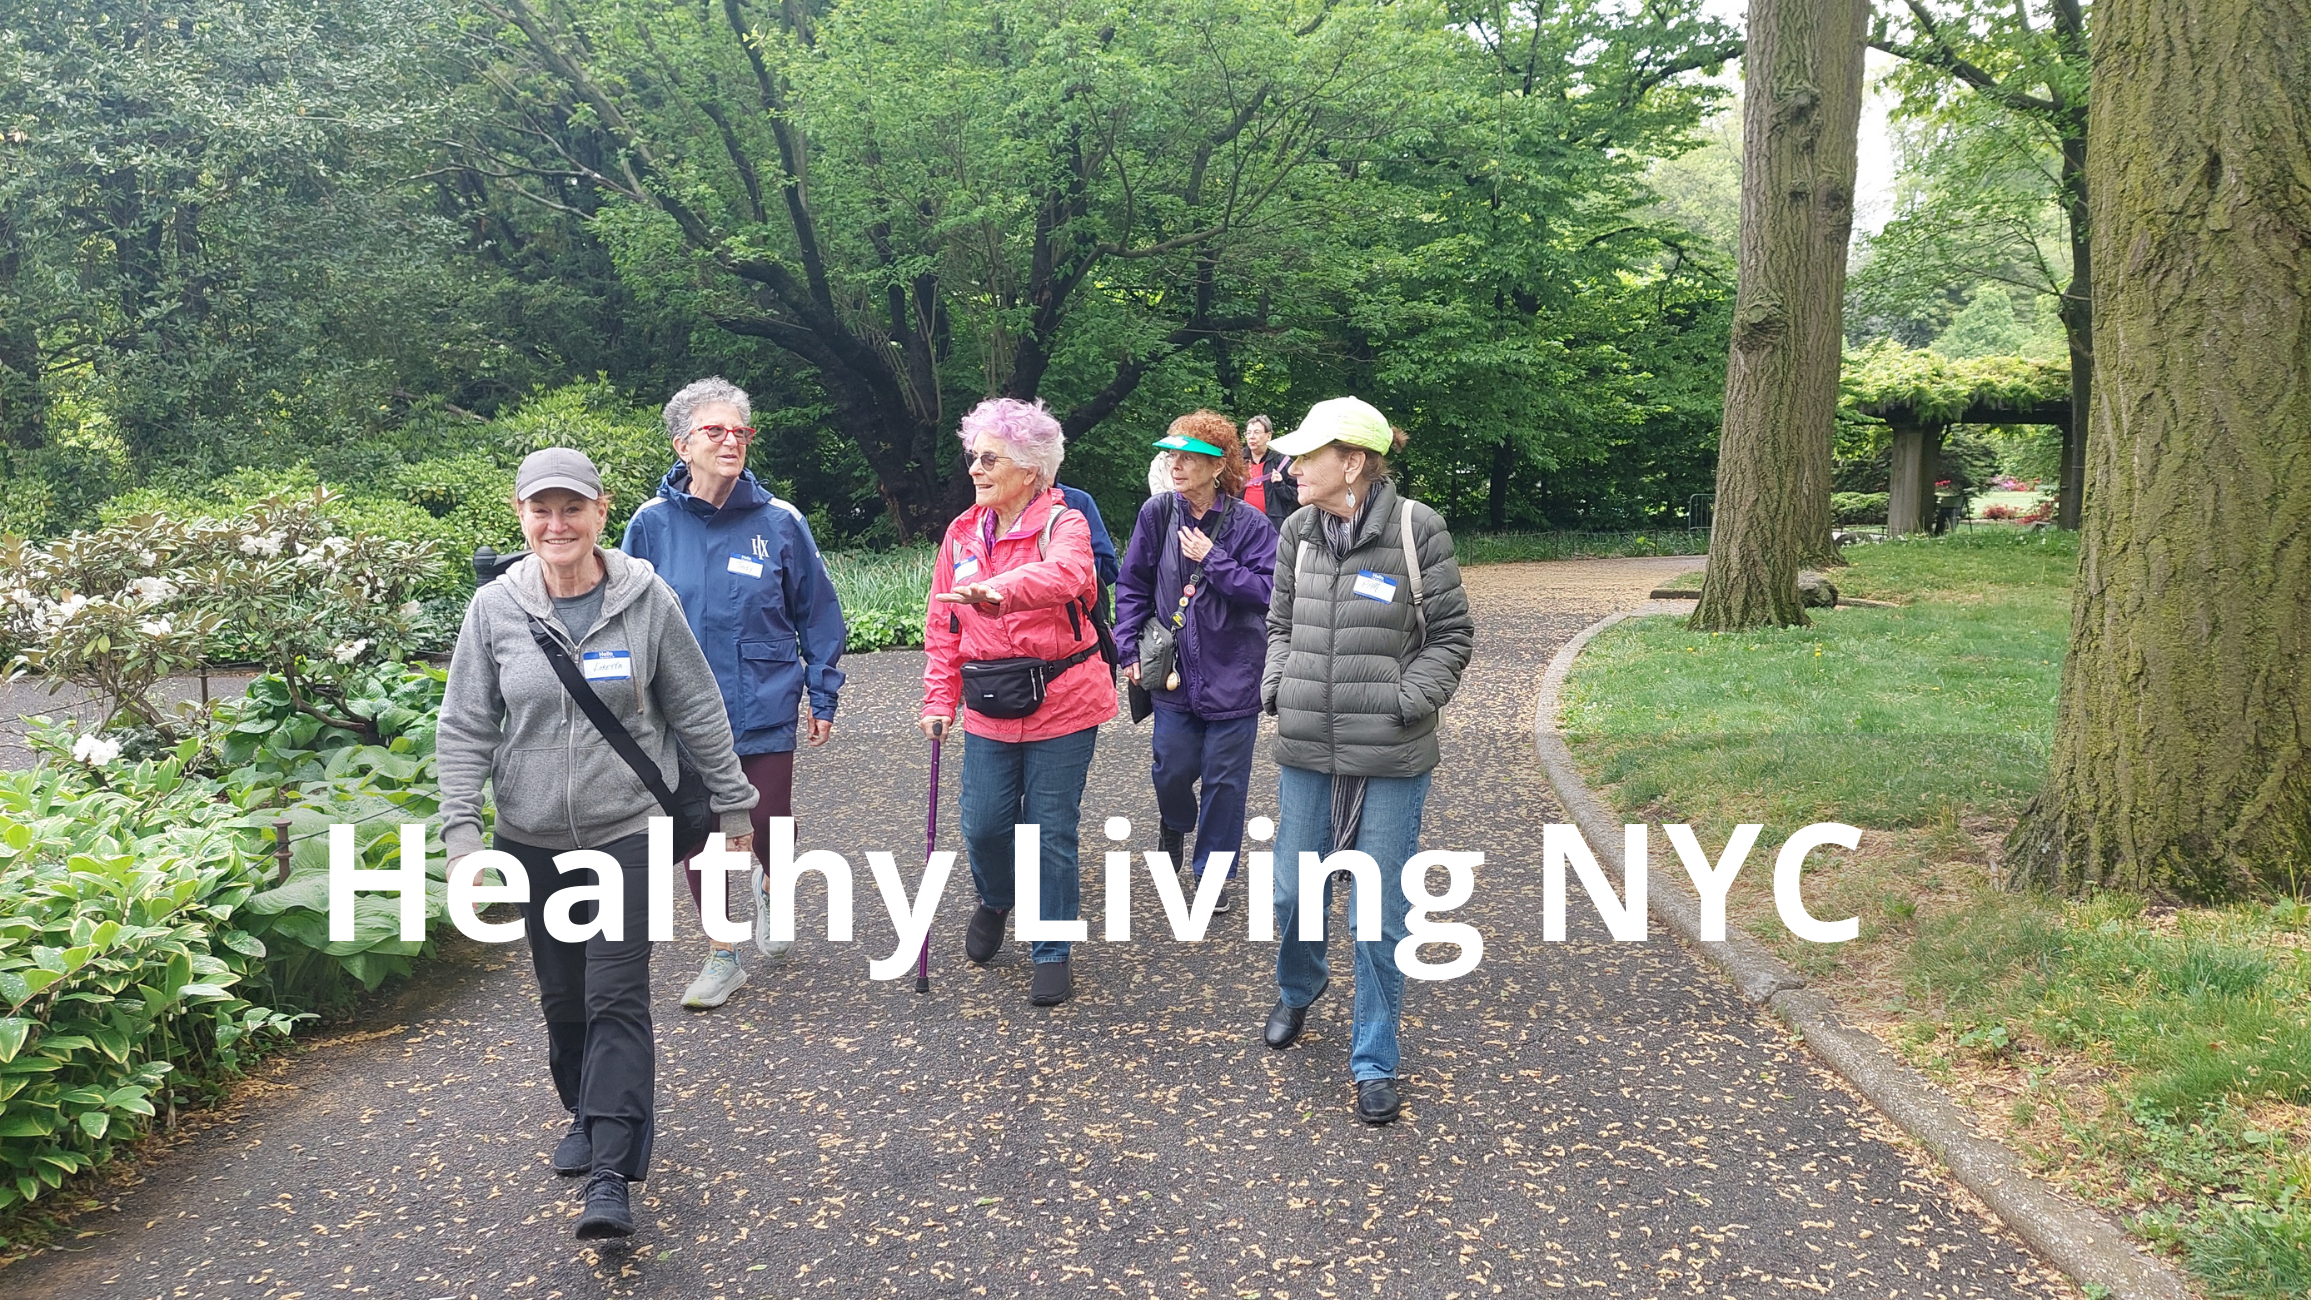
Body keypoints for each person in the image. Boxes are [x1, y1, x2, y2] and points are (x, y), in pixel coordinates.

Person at [437, 448, 760, 1238]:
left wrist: (735, 810)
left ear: (600, 512)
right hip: (530, 835)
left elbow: (697, 707)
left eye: (571, 509)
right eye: (540, 511)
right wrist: (461, 837)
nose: (557, 525)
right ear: (520, 517)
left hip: (628, 831)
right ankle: (583, 1108)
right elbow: (466, 724)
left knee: (616, 995)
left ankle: (612, 1171)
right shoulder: (495, 610)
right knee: (563, 999)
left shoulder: (646, 599)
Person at [1255, 397, 1473, 1125]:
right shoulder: (1295, 532)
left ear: (1351, 462)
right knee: (1291, 894)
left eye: (1305, 455)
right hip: (1308, 747)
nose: (1288, 467)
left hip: (1390, 751)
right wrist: (1276, 683)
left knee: (1379, 917)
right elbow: (1280, 622)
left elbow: (1450, 636)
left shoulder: (1417, 529)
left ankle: (1374, 1059)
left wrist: (1407, 700)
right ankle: (1299, 985)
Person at [622, 377, 848, 1011]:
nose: (731, 440)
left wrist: (822, 693)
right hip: (680, 710)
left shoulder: (779, 522)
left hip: (763, 696)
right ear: (681, 444)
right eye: (714, 430)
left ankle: (774, 884)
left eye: (739, 431)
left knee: (766, 819)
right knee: (700, 833)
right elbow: (622, 613)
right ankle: (724, 954)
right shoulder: (650, 525)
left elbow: (819, 613)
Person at [919, 397, 1115, 1008]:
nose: (975, 468)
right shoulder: (960, 533)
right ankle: (996, 897)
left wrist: (997, 590)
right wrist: (938, 698)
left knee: (1049, 830)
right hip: (987, 701)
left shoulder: (1066, 523)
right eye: (973, 456)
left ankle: (1052, 946)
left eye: (989, 458)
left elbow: (1069, 578)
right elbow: (942, 625)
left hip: (1063, 699)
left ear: (1030, 470)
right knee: (983, 825)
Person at [1112, 411, 1277, 914]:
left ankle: (1211, 874)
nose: (1176, 465)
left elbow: (1268, 593)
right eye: (1172, 456)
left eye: (1189, 457)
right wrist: (1128, 649)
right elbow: (1132, 584)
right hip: (1172, 671)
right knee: (1171, 768)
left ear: (1218, 463)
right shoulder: (1158, 514)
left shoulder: (1251, 524)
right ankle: (1175, 821)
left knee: (1226, 782)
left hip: (1234, 671)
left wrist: (1214, 559)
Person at [1242, 414, 1299, 530]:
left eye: (1257, 432)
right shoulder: (1237, 461)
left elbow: (1300, 495)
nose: (1251, 437)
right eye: (1248, 433)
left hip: (1273, 527)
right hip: (1242, 525)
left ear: (1268, 436)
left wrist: (1280, 485)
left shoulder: (1282, 462)